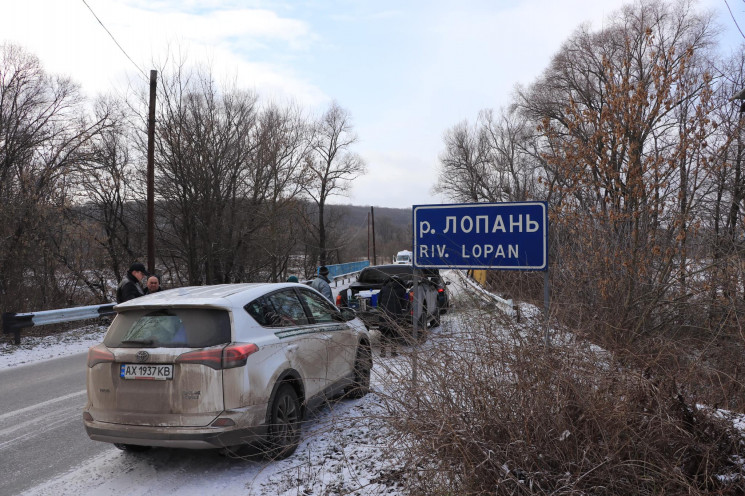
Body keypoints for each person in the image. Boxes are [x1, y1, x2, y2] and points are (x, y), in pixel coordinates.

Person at [377, 275, 407, 357]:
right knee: (394, 334)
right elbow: (403, 303)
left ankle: (382, 353)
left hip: (384, 315)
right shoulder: (401, 290)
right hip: (395, 315)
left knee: (384, 334)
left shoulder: (383, 289)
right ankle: (393, 352)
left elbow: (379, 301)